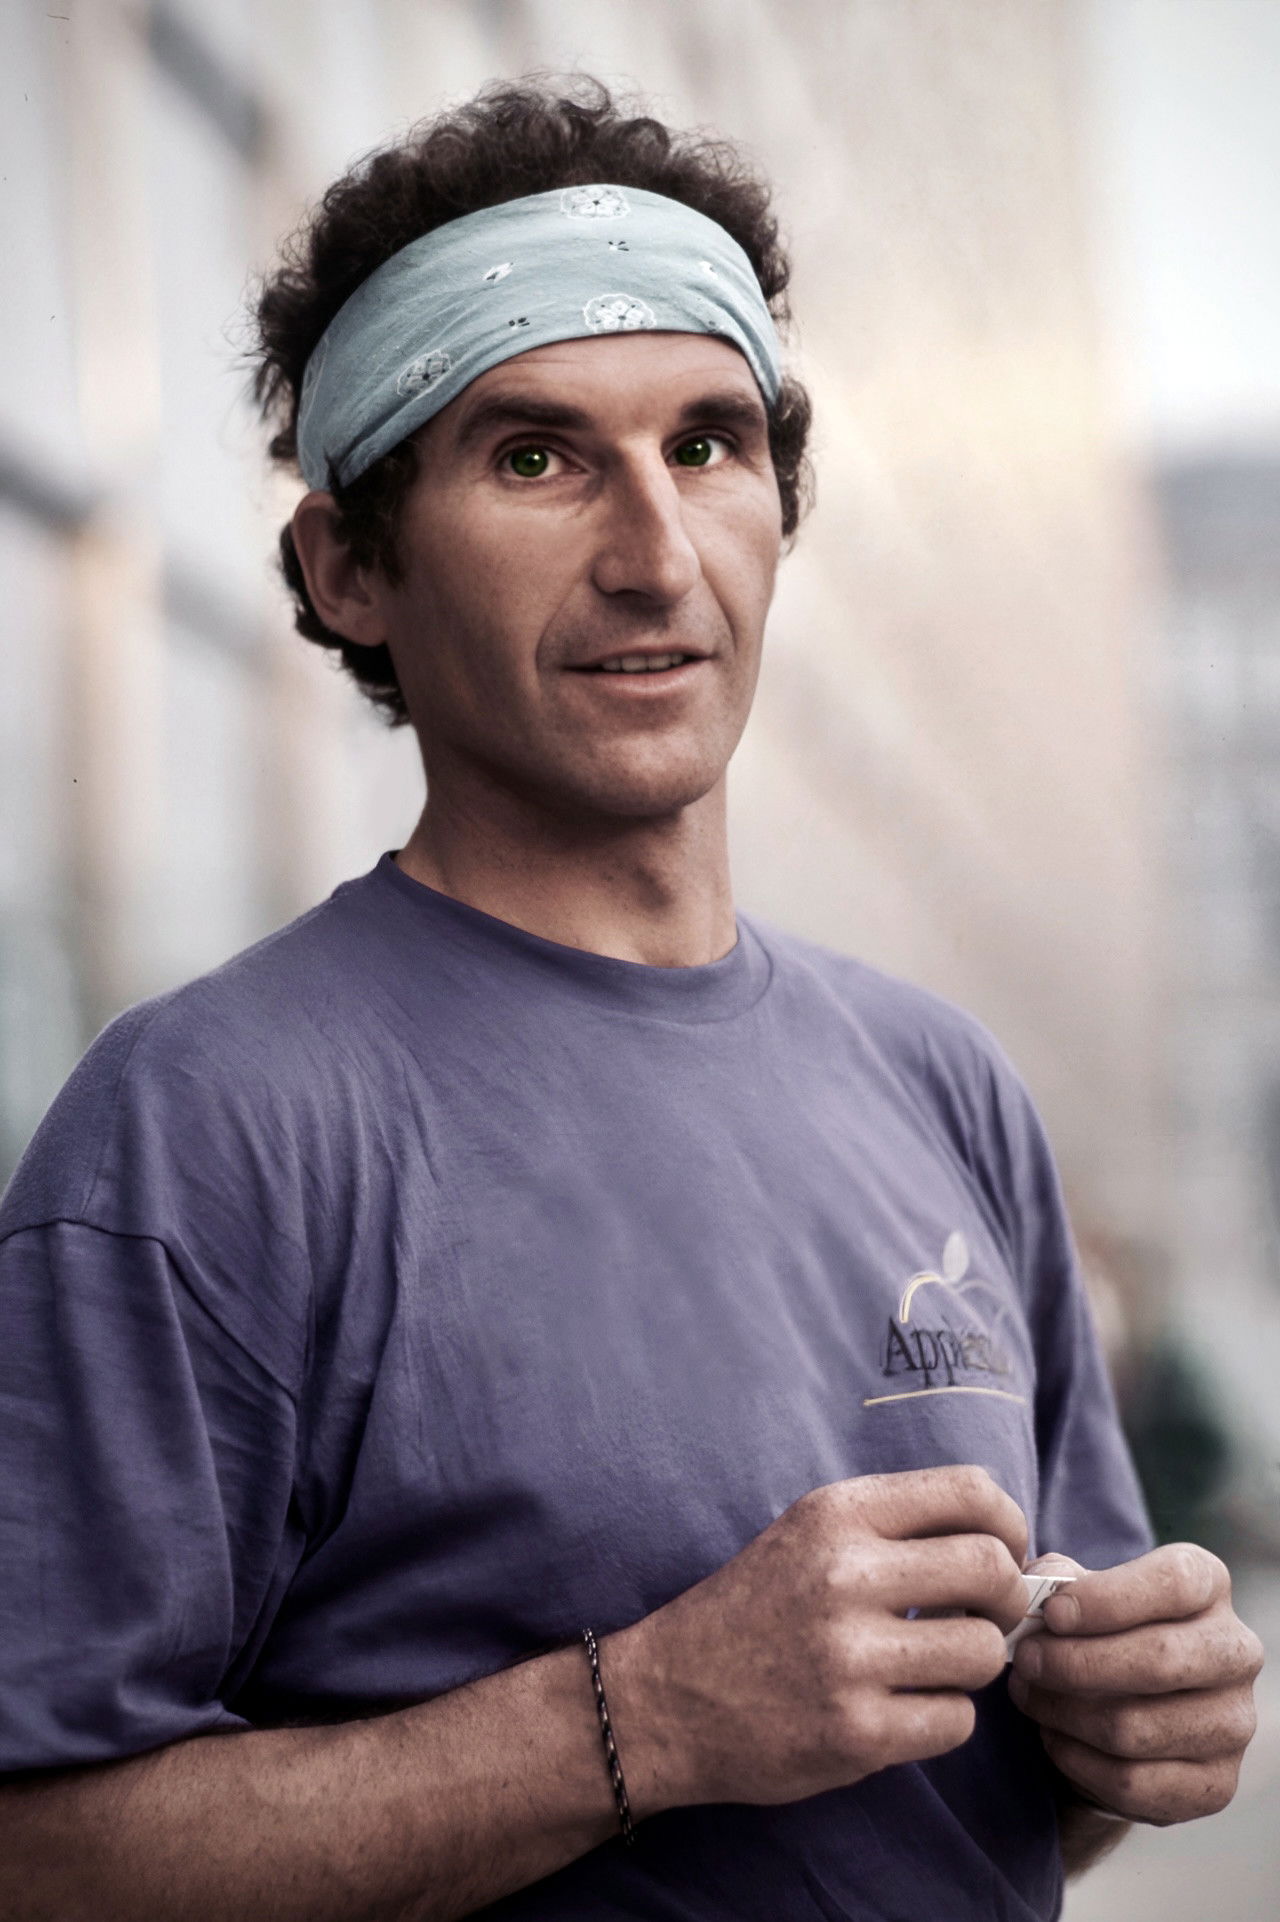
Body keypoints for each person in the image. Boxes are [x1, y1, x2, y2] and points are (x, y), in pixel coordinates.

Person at [0, 77, 1261, 1922]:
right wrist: (647, 1716)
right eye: (536, 457)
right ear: (350, 566)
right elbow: (39, 1851)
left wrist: (1120, 1734)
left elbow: (988, 1800)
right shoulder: (209, 1125)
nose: (657, 555)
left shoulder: (941, 1080)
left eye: (709, 444)